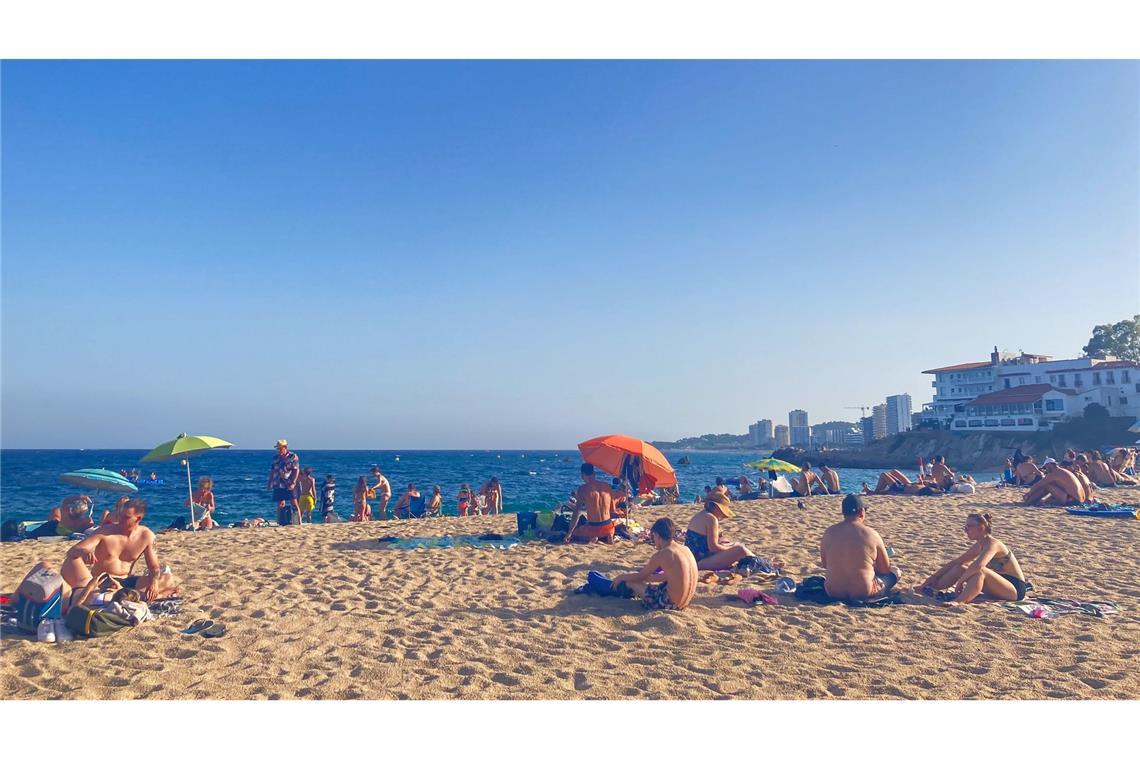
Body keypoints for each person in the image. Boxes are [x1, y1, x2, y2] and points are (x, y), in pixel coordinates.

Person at [59, 498, 181, 603]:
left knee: (166, 578)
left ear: (138, 519)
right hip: (104, 581)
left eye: (126, 517)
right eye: (120, 516)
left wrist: (154, 582)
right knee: (72, 561)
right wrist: (84, 552)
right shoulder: (106, 532)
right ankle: (140, 597)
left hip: (126, 581)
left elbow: (154, 567)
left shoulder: (146, 536)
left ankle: (134, 596)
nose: (121, 520)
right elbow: (73, 550)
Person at [920, 513, 1029, 604]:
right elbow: (957, 562)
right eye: (965, 527)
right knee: (960, 567)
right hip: (998, 584)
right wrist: (931, 578)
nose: (965, 530)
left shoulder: (993, 544)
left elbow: (978, 565)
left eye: (969, 527)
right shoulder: (979, 545)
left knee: (979, 571)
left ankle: (959, 601)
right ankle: (931, 587)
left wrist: (960, 583)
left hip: (1015, 589)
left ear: (981, 528)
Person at [819, 494, 900, 602]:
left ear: (844, 512)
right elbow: (884, 570)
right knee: (896, 572)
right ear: (862, 512)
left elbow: (825, 565)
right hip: (863, 591)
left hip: (833, 591)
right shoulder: (872, 534)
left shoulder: (828, 532)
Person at [608, 518, 698, 611]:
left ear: (658, 535)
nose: (654, 541)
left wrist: (621, 577)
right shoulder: (686, 549)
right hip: (684, 603)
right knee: (649, 584)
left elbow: (640, 576)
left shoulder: (663, 553)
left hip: (668, 604)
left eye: (653, 537)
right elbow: (674, 576)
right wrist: (650, 578)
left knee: (631, 582)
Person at [683, 492, 755, 571]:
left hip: (692, 559)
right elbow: (713, 547)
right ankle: (760, 563)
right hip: (699, 563)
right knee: (741, 550)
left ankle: (756, 561)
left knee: (727, 542)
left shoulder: (701, 514)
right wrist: (730, 548)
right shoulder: (711, 519)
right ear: (716, 507)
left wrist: (727, 545)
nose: (722, 515)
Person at [563, 463, 622, 544]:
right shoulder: (607, 486)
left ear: (583, 475)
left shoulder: (582, 489)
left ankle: (594, 537)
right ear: (594, 473)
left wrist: (569, 533)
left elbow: (577, 512)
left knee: (575, 533)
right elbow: (613, 510)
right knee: (606, 527)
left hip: (593, 528)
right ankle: (608, 536)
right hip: (609, 527)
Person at [1022, 461, 1087, 506]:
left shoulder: (1055, 473)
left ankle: (1028, 503)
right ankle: (1032, 501)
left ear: (1049, 465)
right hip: (1080, 501)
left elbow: (1039, 485)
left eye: (1045, 467)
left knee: (1047, 486)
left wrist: (1028, 494)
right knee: (1051, 486)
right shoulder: (1064, 471)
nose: (1046, 470)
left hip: (1072, 501)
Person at [267, 439, 301, 525]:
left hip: (289, 482)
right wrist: (269, 482)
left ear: (285, 448)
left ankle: (298, 521)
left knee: (294, 502)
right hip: (278, 483)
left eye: (280, 448)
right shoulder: (275, 458)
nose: (278, 450)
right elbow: (272, 471)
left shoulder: (292, 456)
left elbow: (296, 470)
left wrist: (293, 482)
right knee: (280, 502)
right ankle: (280, 521)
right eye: (277, 449)